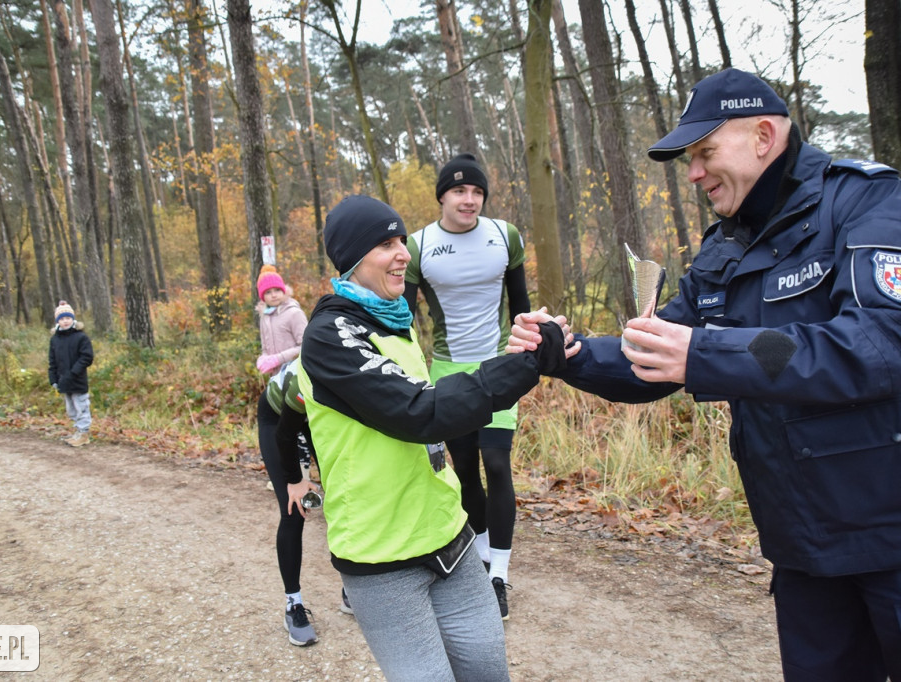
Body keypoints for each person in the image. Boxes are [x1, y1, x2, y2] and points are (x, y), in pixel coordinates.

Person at [508, 68, 901, 681]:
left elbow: (876, 344)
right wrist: (569, 354)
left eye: (704, 153)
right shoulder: (723, 249)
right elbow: (658, 358)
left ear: (764, 136)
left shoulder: (865, 202)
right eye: (690, 159)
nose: (692, 174)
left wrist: (707, 355)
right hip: (799, 543)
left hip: (888, 535)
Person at [291, 194, 574, 681]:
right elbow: (419, 412)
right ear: (353, 259)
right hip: (382, 560)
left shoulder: (394, 322)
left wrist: (515, 351)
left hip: (449, 536)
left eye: (402, 240)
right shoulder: (328, 336)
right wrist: (526, 367)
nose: (403, 252)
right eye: (385, 243)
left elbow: (437, 395)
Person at [403, 152, 531, 620]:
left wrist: (529, 358)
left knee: (497, 463)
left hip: (499, 365)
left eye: (477, 192)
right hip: (448, 372)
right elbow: (404, 316)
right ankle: (477, 560)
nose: (469, 199)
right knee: (464, 470)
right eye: (459, 191)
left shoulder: (505, 236)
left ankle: (498, 573)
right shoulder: (418, 245)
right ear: (442, 196)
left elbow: (521, 306)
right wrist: (410, 366)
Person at [253, 267, 318, 646]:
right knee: (294, 509)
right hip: (278, 418)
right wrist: (297, 478)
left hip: (315, 419)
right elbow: (287, 431)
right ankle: (293, 605)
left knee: (343, 498)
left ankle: (354, 587)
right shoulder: (306, 380)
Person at [48, 300, 94, 448]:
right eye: (62, 319)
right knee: (71, 409)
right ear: (57, 321)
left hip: (77, 379)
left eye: (67, 318)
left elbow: (87, 357)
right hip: (63, 381)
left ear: (73, 319)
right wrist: (53, 378)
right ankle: (78, 431)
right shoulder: (55, 340)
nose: (65, 321)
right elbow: (52, 360)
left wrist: (74, 372)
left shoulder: (81, 337)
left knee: (81, 406)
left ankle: (84, 433)